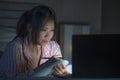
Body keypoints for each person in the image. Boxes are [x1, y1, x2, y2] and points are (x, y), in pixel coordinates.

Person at [0, 5, 68, 77]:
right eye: (43, 30)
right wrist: (40, 70)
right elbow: (12, 78)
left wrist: (60, 73)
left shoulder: (54, 47)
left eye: (52, 30)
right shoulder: (14, 47)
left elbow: (60, 73)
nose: (48, 36)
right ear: (29, 28)